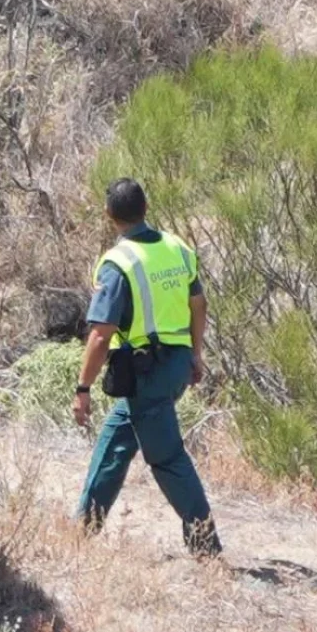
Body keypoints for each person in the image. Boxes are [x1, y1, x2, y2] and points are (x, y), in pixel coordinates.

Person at [72, 178, 222, 558]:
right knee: (115, 442)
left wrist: (83, 388)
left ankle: (207, 548)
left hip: (146, 372)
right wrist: (195, 353)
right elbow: (199, 304)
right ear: (146, 207)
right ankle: (82, 531)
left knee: (167, 459)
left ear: (109, 214)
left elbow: (101, 335)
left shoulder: (118, 263)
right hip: (174, 365)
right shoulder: (177, 248)